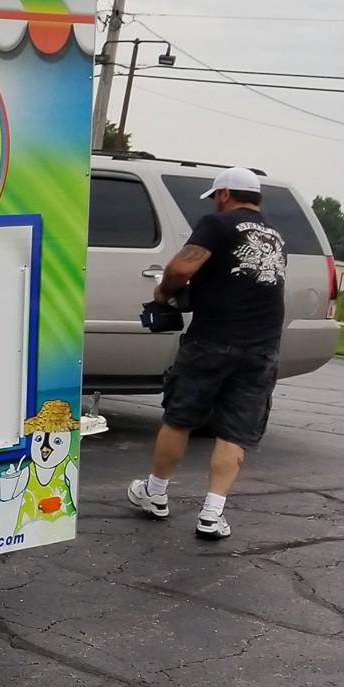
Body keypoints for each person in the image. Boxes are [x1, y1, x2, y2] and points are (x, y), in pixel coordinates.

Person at [126, 166, 288, 539]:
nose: (216, 202)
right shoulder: (276, 234)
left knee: (180, 417)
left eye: (216, 196)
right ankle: (212, 514)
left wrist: (164, 293)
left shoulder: (218, 223)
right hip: (262, 347)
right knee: (234, 431)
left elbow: (182, 267)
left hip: (213, 340)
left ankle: (155, 493)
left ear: (225, 194)